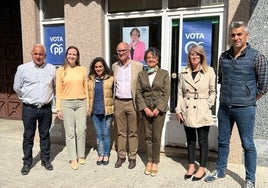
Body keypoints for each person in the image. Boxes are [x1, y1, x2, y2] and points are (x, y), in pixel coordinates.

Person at [204, 21, 268, 188]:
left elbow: (264, 86)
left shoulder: (257, 57)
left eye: (239, 34)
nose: (236, 37)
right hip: (225, 106)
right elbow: (221, 79)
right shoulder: (223, 56)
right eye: (233, 35)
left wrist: (248, 99)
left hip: (245, 108)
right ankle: (220, 169)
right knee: (223, 140)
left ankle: (250, 179)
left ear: (246, 35)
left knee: (247, 143)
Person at [175, 45, 216, 181]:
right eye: (192, 54)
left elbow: (213, 91)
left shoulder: (209, 71)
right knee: (190, 141)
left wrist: (208, 104)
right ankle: (191, 166)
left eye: (197, 55)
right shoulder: (184, 72)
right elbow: (180, 92)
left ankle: (202, 168)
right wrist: (179, 109)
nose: (195, 57)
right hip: (187, 110)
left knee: (203, 141)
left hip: (202, 109)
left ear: (202, 57)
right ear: (189, 57)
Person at [13, 44, 55, 175]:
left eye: (41, 54)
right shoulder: (23, 69)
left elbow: (54, 87)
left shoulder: (51, 69)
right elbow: (17, 87)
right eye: (35, 54)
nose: (38, 56)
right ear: (32, 54)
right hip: (29, 109)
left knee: (45, 135)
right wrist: (26, 98)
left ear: (45, 56)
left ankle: (45, 160)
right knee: (28, 136)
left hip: (45, 109)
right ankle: (27, 162)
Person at [136, 47, 170, 176]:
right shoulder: (141, 74)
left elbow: (166, 93)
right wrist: (144, 108)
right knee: (148, 136)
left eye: (153, 57)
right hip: (145, 108)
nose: (151, 59)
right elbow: (138, 93)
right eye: (148, 57)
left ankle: (155, 161)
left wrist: (158, 108)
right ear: (145, 60)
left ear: (158, 59)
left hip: (158, 110)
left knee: (156, 136)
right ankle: (149, 160)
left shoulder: (164, 73)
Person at [56, 46, 89, 170]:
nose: (72, 56)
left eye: (74, 54)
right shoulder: (61, 70)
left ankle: (81, 155)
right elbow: (58, 90)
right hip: (67, 103)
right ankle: (72, 158)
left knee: (81, 130)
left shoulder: (82, 69)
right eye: (69, 54)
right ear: (66, 55)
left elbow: (86, 89)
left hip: (81, 102)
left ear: (77, 56)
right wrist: (58, 108)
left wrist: (87, 105)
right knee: (70, 133)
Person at [112, 42, 143, 169]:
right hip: (119, 102)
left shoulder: (138, 66)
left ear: (129, 51)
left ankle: (133, 157)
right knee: (120, 132)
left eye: (124, 50)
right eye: (119, 51)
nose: (121, 53)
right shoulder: (114, 66)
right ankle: (121, 156)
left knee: (133, 132)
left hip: (132, 102)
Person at [88, 57, 114, 166]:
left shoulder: (110, 79)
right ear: (93, 68)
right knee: (98, 134)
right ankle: (101, 154)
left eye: (100, 66)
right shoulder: (90, 79)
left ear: (104, 67)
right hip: (95, 112)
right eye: (96, 67)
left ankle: (106, 154)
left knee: (106, 133)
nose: (98, 69)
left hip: (107, 111)